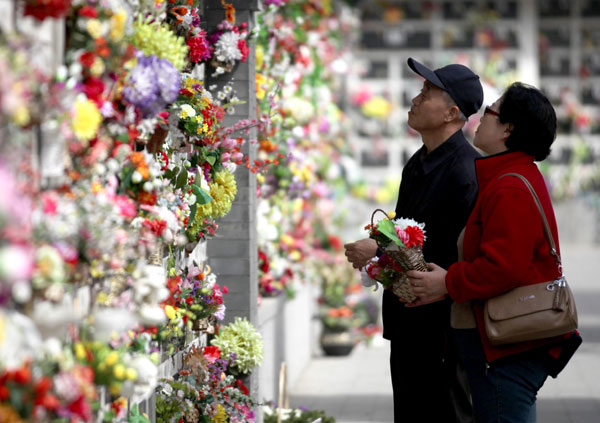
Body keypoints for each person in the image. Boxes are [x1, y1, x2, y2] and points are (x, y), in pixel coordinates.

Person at [406, 82, 582, 422]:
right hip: (507, 347)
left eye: (490, 112)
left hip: (509, 351)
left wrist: (448, 282)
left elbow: (504, 268)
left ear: (507, 130)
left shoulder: (510, 185)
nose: (480, 119)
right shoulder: (508, 176)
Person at [344, 58, 483, 423]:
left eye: (427, 92)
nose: (416, 99)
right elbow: (409, 229)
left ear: (452, 113)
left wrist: (378, 247)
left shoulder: (467, 171)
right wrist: (380, 247)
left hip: (444, 329)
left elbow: (447, 251)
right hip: (409, 320)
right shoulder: (419, 161)